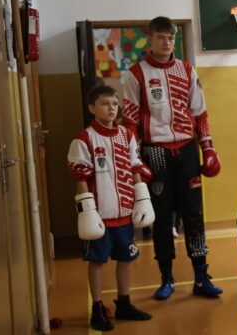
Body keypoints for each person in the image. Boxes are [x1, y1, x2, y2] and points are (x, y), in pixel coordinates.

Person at [122, 16, 223, 300]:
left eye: (170, 38)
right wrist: (133, 161)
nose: (166, 42)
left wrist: (209, 148)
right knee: (162, 218)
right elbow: (129, 123)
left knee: (194, 215)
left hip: (186, 150)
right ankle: (166, 277)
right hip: (154, 151)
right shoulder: (135, 74)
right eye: (160, 37)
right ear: (150, 39)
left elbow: (200, 115)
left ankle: (201, 276)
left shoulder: (187, 70)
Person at [67, 85, 153, 331]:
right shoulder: (83, 138)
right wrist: (88, 212)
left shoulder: (126, 134)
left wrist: (141, 199)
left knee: (126, 258)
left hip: (124, 211)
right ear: (92, 108)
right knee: (97, 261)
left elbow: (135, 166)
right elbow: (80, 175)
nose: (111, 108)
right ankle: (97, 306)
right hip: (100, 214)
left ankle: (124, 302)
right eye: (105, 104)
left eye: (114, 104)